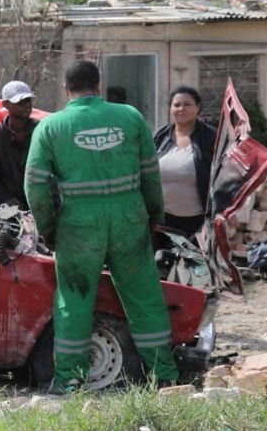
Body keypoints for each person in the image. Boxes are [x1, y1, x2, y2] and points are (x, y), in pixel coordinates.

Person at [24, 60, 179, 392]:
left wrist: (49, 227)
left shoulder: (51, 127)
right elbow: (151, 174)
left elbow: (35, 187)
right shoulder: (131, 117)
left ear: (67, 90)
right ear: (99, 84)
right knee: (144, 296)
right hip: (129, 218)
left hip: (79, 224)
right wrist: (154, 217)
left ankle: (69, 380)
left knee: (75, 299)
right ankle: (163, 375)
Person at [153, 85, 217, 242]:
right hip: (163, 221)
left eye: (187, 104)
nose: (181, 109)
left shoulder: (211, 138)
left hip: (198, 222)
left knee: (195, 265)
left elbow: (225, 176)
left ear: (198, 107)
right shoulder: (160, 137)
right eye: (176, 105)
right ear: (170, 109)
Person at [0, 80, 38, 208]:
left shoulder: (42, 131)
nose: (26, 105)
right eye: (20, 102)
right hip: (11, 211)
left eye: (28, 100)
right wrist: (6, 199)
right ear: (6, 104)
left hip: (42, 205)